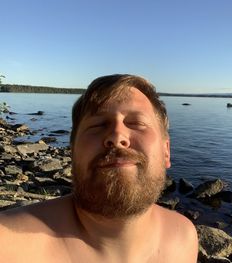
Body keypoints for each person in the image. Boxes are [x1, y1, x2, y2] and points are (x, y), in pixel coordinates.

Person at [0, 74, 198, 262]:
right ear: (73, 152)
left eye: (136, 123)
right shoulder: (10, 243)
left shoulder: (183, 238)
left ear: (166, 151)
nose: (117, 136)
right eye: (98, 125)